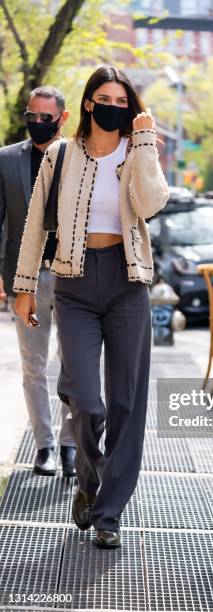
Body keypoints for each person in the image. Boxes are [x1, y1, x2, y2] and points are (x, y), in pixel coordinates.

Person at [13, 64, 169, 549]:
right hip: (74, 283)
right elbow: (35, 223)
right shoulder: (60, 155)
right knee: (84, 397)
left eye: (123, 102)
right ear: (87, 103)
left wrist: (142, 143)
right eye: (106, 98)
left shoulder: (137, 150)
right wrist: (22, 286)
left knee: (126, 401)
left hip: (127, 283)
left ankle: (108, 514)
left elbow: (151, 204)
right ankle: (87, 478)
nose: (114, 108)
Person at [0, 86, 77, 478]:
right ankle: (44, 446)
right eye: (31, 115)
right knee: (33, 367)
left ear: (62, 118)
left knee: (73, 366)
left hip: (70, 279)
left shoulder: (79, 158)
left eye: (45, 117)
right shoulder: (6, 159)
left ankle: (69, 445)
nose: (36, 123)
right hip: (24, 281)